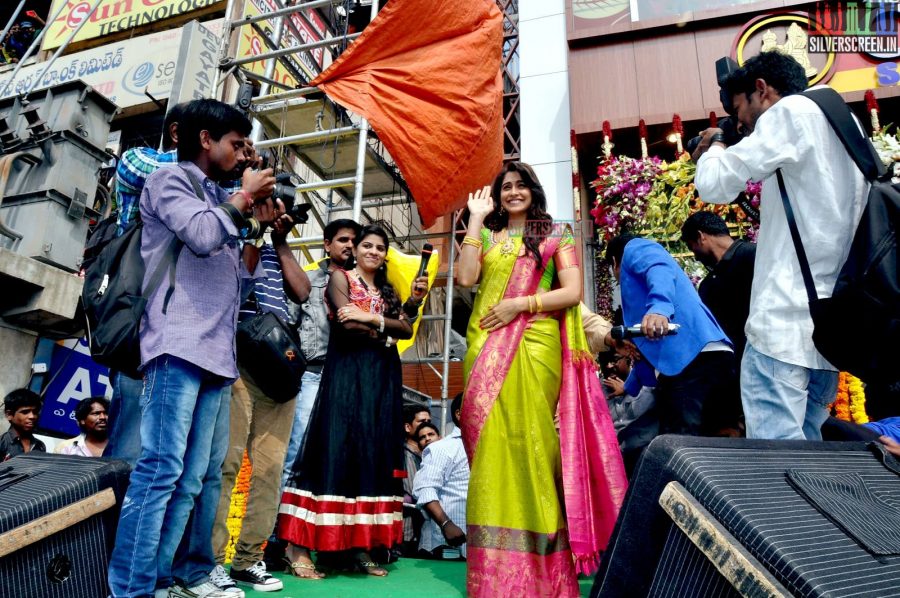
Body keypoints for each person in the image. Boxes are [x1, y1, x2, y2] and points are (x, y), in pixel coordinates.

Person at [107, 98, 277, 598]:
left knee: (194, 480)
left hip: (216, 355)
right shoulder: (171, 180)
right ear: (205, 139)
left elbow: (240, 281)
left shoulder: (220, 195)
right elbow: (202, 235)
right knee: (161, 471)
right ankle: (130, 588)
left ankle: (162, 580)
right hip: (175, 344)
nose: (243, 153)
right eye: (235, 143)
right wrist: (242, 200)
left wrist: (259, 226)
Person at [457, 162, 627, 597]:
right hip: (484, 346)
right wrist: (475, 219)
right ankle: (495, 572)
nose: (513, 192)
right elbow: (465, 278)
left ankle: (543, 569)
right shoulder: (490, 236)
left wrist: (522, 304)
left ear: (533, 190)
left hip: (534, 343)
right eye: (505, 187)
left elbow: (572, 293)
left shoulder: (556, 235)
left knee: (533, 446)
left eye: (520, 185)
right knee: (492, 450)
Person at [693, 51, 868, 440]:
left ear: (762, 90)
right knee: (809, 462)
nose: (740, 121)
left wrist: (716, 144)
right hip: (826, 333)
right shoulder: (843, 120)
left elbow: (716, 184)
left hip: (783, 330)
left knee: (779, 467)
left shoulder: (791, 113)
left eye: (740, 108)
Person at [277, 224, 429, 579]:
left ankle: (354, 547)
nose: (373, 251)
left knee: (367, 455)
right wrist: (385, 329)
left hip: (379, 380)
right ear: (356, 250)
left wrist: (404, 307)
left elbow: (406, 329)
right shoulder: (340, 279)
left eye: (380, 247)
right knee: (329, 452)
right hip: (346, 375)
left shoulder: (387, 289)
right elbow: (348, 326)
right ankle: (296, 547)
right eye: (367, 245)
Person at [208, 145, 309, 593]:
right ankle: (209, 560)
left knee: (269, 468)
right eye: (269, 198)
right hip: (237, 358)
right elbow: (237, 282)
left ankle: (249, 559)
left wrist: (281, 239)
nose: (276, 208)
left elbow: (303, 292)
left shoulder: (280, 246)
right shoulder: (233, 231)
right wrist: (257, 232)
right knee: (227, 463)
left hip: (279, 369)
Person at [105, 103, 185, 467]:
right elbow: (145, 172)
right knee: (131, 445)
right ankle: (106, 524)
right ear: (176, 133)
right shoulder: (139, 159)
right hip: (139, 316)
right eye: (212, 137)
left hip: (182, 325)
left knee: (167, 454)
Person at [605, 234, 736, 436]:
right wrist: (629, 386)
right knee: (715, 442)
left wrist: (659, 308)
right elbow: (646, 351)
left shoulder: (634, 248)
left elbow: (659, 268)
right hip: (707, 358)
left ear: (614, 262)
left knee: (684, 446)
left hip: (691, 360)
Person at [680, 211, 756, 363]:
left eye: (691, 246)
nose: (695, 255)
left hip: (767, 357)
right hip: (738, 365)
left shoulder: (753, 256)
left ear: (701, 236)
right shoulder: (708, 285)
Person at [414, 394, 470, 559]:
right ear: (459, 414)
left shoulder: (488, 448)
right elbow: (425, 488)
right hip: (447, 547)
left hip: (477, 547)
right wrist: (446, 524)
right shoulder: (442, 448)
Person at [401, 404, 431, 556]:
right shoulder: (400, 455)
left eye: (429, 421)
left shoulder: (432, 453)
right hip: (406, 532)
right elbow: (415, 492)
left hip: (429, 533)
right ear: (407, 427)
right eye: (422, 421)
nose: (427, 424)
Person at [0, 389, 46, 462]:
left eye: (35, 412)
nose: (32, 416)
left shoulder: (40, 446)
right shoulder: (2, 444)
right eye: (25, 412)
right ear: (9, 415)